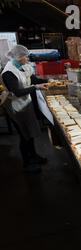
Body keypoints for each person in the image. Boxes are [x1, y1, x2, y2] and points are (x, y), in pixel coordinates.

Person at [1, 45, 48, 173]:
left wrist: (49, 81)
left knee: (31, 132)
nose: (28, 58)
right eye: (25, 56)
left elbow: (33, 79)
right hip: (15, 106)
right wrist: (37, 87)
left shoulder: (24, 66)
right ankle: (27, 164)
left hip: (26, 103)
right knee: (24, 135)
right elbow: (17, 92)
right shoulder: (9, 72)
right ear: (18, 57)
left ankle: (34, 156)